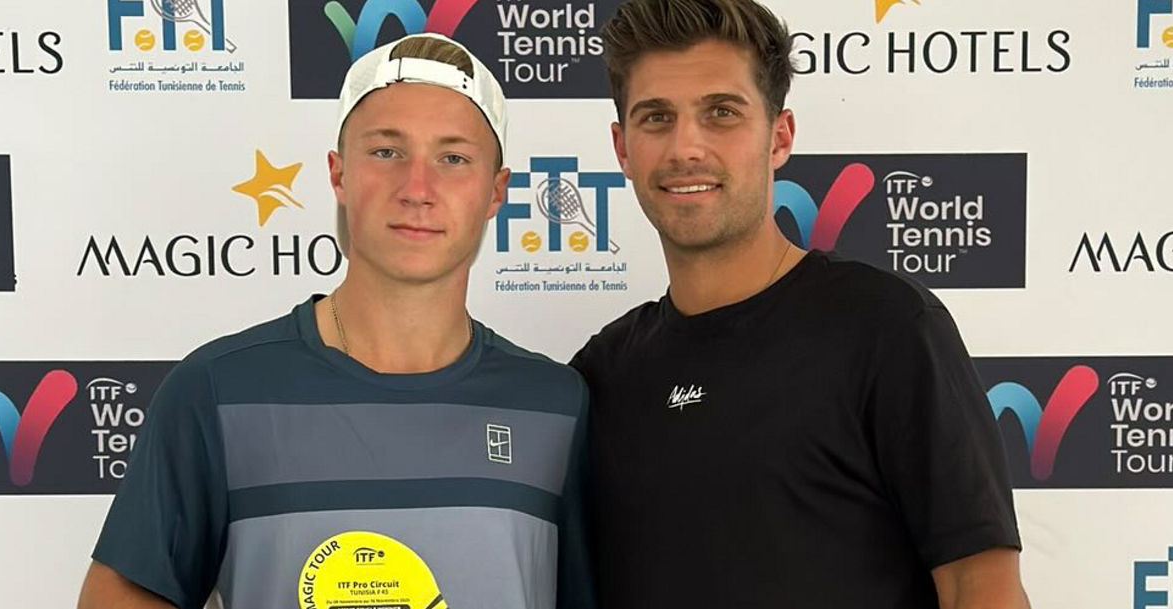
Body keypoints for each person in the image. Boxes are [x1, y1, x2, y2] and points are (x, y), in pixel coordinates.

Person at [77, 33, 593, 609]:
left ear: (496, 192)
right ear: (339, 174)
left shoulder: (556, 405)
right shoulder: (218, 390)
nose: (417, 189)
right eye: (387, 152)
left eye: (453, 158)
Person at [569, 1, 1030, 607]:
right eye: (656, 118)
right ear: (622, 148)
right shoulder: (602, 373)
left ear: (779, 136)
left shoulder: (885, 328)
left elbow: (982, 588)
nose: (686, 147)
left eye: (722, 113)